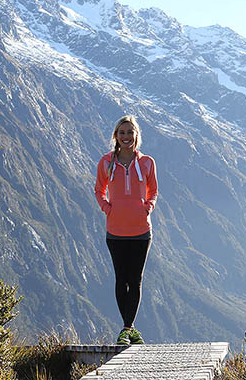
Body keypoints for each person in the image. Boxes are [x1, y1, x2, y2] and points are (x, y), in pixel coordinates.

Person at [94, 114, 158, 345]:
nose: (126, 136)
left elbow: (153, 191)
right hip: (116, 232)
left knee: (136, 280)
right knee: (121, 280)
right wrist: (107, 209)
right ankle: (129, 329)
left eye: (130, 132)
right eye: (122, 133)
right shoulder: (106, 162)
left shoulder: (147, 162)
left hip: (141, 231)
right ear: (116, 136)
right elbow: (99, 190)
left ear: (136, 135)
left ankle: (127, 328)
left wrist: (147, 208)